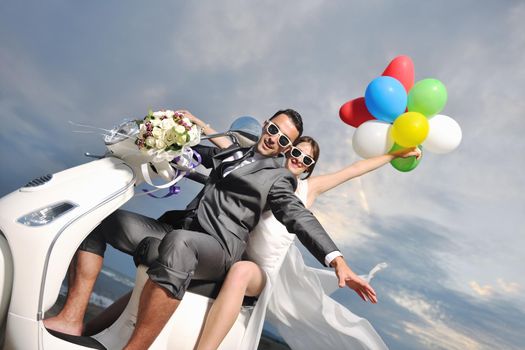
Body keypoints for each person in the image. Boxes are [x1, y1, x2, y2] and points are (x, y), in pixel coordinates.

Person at [44, 109, 376, 350]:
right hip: (180, 228)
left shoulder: (279, 178)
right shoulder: (233, 149)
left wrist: (336, 260)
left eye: (283, 140)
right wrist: (167, 139)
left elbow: (296, 215)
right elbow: (191, 152)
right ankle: (72, 316)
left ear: (286, 149)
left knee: (180, 244)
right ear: (265, 125)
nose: (274, 139)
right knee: (103, 222)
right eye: (273, 129)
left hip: (218, 250)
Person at [188, 115, 421, 349]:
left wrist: (394, 155)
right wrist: (196, 122)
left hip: (258, 272)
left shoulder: (308, 189)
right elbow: (230, 148)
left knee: (240, 272)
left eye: (307, 160)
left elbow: (354, 170)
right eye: (297, 153)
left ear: (309, 167)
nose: (299, 160)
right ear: (287, 149)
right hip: (232, 252)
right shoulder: (262, 170)